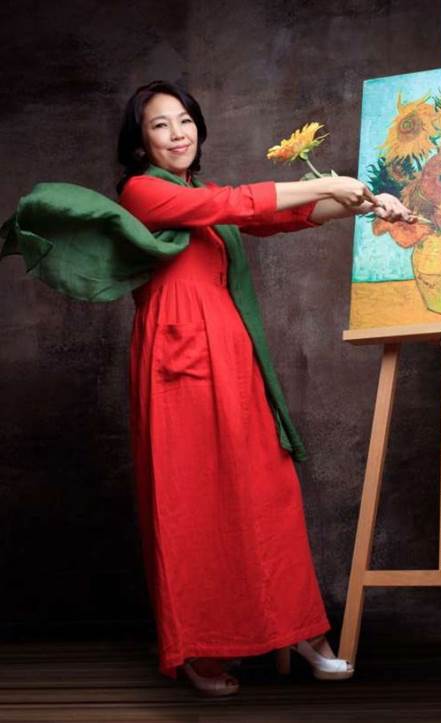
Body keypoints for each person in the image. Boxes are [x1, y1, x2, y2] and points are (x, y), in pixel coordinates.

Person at [115, 80, 414, 697]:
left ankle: (299, 629)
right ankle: (201, 646)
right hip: (175, 364)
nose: (177, 133)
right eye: (160, 125)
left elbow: (274, 216)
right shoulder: (142, 192)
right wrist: (331, 183)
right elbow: (241, 202)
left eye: (184, 120)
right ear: (141, 143)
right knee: (190, 502)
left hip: (230, 351)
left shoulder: (202, 194)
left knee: (266, 488)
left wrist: (362, 204)